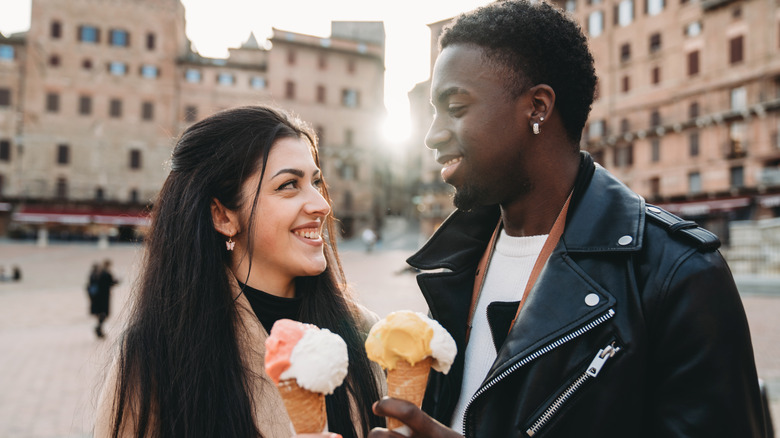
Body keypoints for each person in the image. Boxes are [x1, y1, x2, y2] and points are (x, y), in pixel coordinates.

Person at [369, 1, 767, 437]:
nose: (432, 135)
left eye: (456, 108)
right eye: (433, 112)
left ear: (537, 107)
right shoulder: (455, 265)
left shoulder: (679, 275)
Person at [94, 105, 385, 437]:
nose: (321, 204)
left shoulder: (364, 332)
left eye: (315, 182)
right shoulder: (156, 357)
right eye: (289, 185)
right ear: (223, 217)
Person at [92, 259, 118, 339]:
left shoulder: (98, 273)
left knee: (101, 313)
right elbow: (111, 283)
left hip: (98, 297)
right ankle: (99, 328)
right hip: (105, 297)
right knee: (105, 313)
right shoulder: (106, 273)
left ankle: (99, 328)